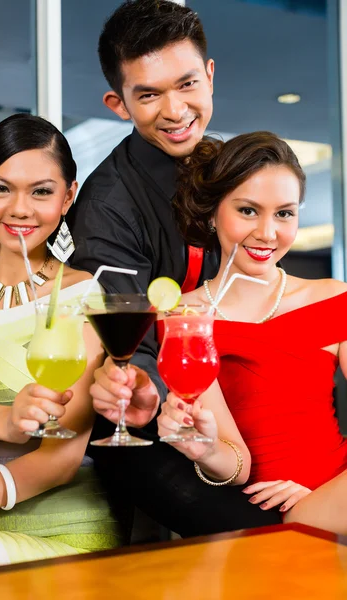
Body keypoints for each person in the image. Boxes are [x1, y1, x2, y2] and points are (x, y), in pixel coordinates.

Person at [69, 0, 283, 536]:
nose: (175, 109)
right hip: (148, 418)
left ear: (209, 76)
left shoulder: (232, 170)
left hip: (240, 392)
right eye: (148, 94)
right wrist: (162, 401)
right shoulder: (107, 204)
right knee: (259, 535)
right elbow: (126, 340)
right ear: (119, 103)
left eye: (187, 84)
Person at [94, 131, 347, 535]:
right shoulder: (184, 315)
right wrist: (206, 448)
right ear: (211, 213)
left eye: (284, 213)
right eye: (248, 211)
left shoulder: (335, 297)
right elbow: (237, 463)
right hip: (269, 513)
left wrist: (322, 497)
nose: (268, 233)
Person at [0, 114, 122, 573]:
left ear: (69, 196)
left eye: (41, 191)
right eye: (1, 188)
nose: (19, 209)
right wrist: (7, 422)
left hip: (65, 534)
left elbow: (59, 461)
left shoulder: (85, 294)